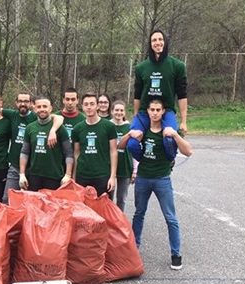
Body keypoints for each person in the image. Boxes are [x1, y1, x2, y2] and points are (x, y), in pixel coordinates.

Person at [119, 99, 193, 270]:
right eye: (151, 109)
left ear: (163, 112)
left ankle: (176, 254)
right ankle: (134, 249)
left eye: (157, 110)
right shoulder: (142, 130)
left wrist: (174, 134)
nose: (154, 112)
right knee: (139, 214)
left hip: (162, 179)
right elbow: (121, 146)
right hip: (143, 179)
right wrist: (130, 134)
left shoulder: (167, 133)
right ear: (148, 111)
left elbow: (188, 151)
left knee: (170, 217)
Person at [128, 29, 188, 162]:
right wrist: (136, 115)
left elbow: (182, 94)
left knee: (169, 139)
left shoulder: (177, 66)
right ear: (150, 44)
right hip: (145, 111)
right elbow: (137, 94)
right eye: (154, 40)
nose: (157, 42)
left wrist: (184, 121)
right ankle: (146, 163)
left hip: (166, 111)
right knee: (132, 143)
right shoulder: (141, 68)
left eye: (160, 39)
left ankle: (169, 161)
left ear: (165, 42)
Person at [19, 96, 74, 191]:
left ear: (50, 108)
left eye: (45, 106)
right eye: (39, 107)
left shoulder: (60, 128)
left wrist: (68, 175)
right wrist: (22, 174)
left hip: (54, 177)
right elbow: (25, 152)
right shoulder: (30, 128)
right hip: (33, 177)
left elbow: (68, 153)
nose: (42, 109)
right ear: (35, 108)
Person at [71, 93, 118, 197]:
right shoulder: (77, 129)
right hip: (82, 176)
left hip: (102, 175)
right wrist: (73, 177)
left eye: (92, 104)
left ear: (97, 106)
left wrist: (112, 177)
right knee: (83, 210)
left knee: (103, 210)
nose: (89, 107)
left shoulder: (109, 126)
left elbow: (113, 151)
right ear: (82, 106)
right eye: (86, 104)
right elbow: (76, 153)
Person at [110, 100, 135, 211]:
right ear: (112, 111)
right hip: (109, 169)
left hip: (125, 168)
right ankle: (108, 223)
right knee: (108, 198)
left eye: (121, 110)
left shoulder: (130, 128)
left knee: (121, 199)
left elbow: (135, 150)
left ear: (124, 113)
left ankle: (119, 223)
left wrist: (135, 170)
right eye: (116, 110)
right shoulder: (107, 126)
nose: (119, 112)